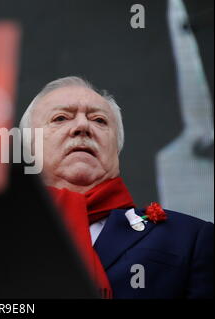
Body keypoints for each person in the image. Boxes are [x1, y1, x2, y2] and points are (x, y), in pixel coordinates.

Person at [19, 76, 213, 298]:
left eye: (99, 120)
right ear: (28, 149)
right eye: (61, 118)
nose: (82, 126)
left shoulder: (190, 238)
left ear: (117, 148)